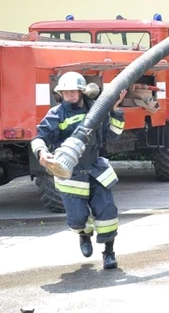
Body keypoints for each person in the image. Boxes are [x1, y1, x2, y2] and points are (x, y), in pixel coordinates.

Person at [29, 72, 127, 270]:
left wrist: (116, 111)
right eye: (66, 92)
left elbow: (112, 136)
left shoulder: (96, 110)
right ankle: (84, 234)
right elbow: (39, 137)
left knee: (107, 212)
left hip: (96, 170)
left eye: (73, 91)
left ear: (82, 91)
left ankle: (109, 252)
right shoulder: (56, 114)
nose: (70, 95)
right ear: (60, 93)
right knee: (77, 218)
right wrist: (41, 152)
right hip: (71, 174)